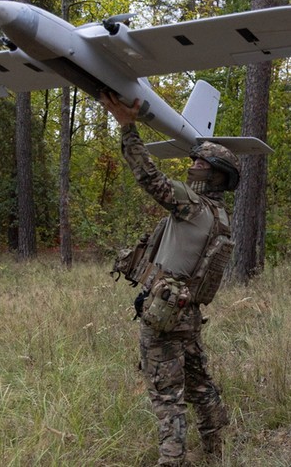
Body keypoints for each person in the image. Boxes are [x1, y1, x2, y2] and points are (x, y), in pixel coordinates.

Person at [101, 92, 236, 466]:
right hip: (187, 315)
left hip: (163, 316)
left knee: (166, 395)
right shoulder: (221, 218)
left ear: (211, 173)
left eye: (197, 161)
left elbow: (148, 176)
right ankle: (215, 451)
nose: (191, 164)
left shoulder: (193, 206)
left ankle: (172, 460)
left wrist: (127, 125)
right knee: (199, 384)